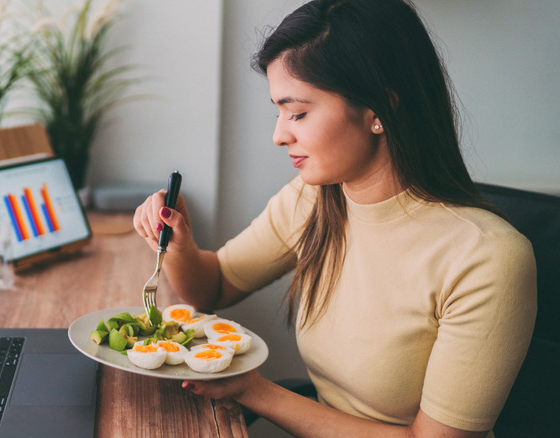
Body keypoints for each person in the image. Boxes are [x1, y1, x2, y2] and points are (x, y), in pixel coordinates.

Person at [132, 0, 537, 436]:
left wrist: (255, 391)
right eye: (279, 111)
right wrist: (178, 243)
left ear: (380, 109)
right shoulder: (315, 199)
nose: (278, 135)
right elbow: (213, 286)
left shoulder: (487, 258)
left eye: (299, 113)